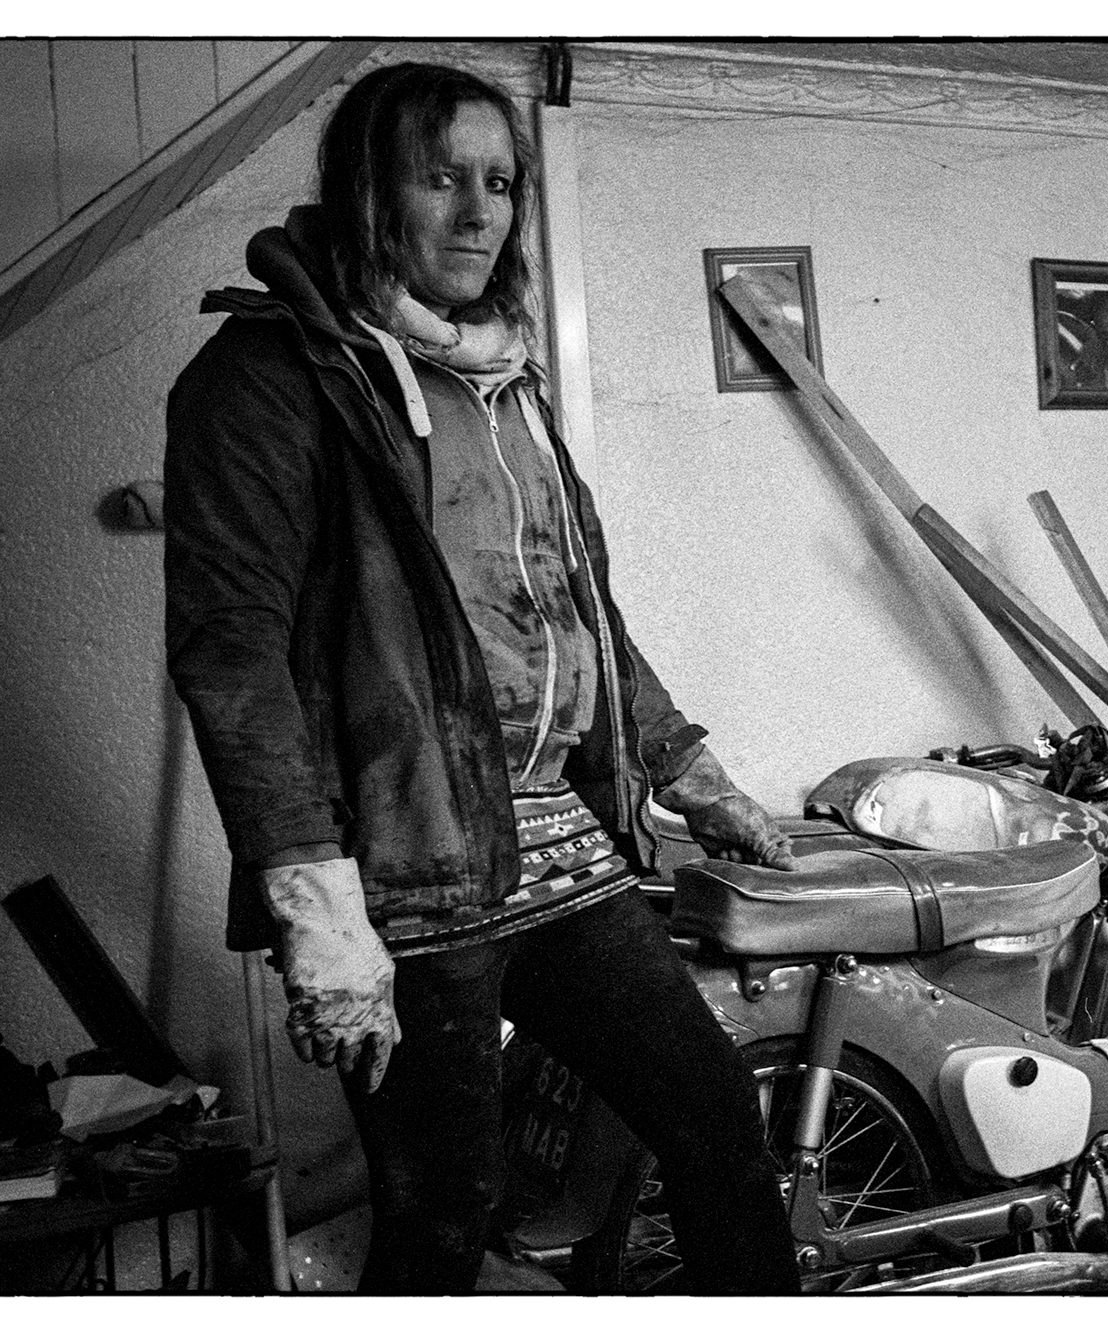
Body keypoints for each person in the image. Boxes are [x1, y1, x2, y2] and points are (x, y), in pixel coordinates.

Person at [163, 62, 801, 1294]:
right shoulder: (264, 378)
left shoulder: (504, 383)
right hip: (404, 873)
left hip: (558, 842)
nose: (478, 212)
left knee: (717, 1116)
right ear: (368, 193)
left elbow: (579, 606)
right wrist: (313, 901)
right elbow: (231, 657)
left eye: (499, 182)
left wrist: (685, 763)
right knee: (443, 1215)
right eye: (439, 177)